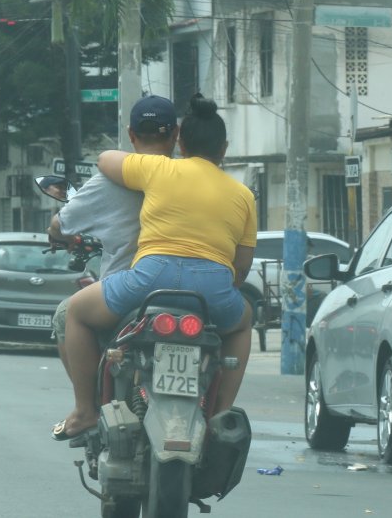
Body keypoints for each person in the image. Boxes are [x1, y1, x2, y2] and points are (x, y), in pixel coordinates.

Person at [53, 94, 256, 442]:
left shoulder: (159, 170)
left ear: (182, 142)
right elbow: (241, 268)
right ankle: (220, 415)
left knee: (75, 311)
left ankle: (85, 411)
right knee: (243, 323)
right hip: (211, 289)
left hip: (150, 280)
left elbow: (104, 160)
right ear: (223, 148)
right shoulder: (243, 195)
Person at [47, 95, 179, 376]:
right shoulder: (190, 175)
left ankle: (87, 408)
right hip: (190, 288)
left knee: (66, 315)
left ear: (131, 135)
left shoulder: (108, 179)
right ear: (175, 135)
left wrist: (57, 232)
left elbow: (61, 224)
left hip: (127, 291)